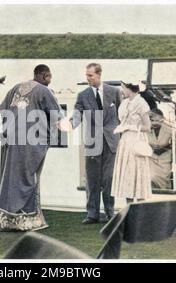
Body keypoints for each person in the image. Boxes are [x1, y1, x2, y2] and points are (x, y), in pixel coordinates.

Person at [0, 64, 63, 231]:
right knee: (30, 177)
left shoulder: (15, 88)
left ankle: (3, 219)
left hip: (12, 142)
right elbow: (57, 116)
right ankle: (26, 219)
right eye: (50, 77)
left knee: (11, 177)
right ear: (44, 76)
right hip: (32, 143)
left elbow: (2, 111)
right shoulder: (44, 91)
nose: (50, 80)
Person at [59, 63, 122, 224]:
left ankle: (110, 213)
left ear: (99, 75)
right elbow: (77, 114)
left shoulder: (114, 92)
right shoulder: (83, 95)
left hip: (111, 142)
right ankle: (92, 214)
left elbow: (122, 114)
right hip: (92, 142)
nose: (87, 78)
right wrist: (69, 125)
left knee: (109, 179)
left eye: (90, 75)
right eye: (86, 75)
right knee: (92, 179)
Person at [111, 82, 152, 204]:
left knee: (138, 174)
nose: (121, 90)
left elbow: (147, 126)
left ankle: (140, 210)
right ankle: (128, 210)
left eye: (123, 87)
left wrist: (131, 127)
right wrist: (122, 127)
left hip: (137, 140)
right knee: (127, 176)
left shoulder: (141, 103)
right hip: (125, 141)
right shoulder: (124, 103)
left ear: (129, 88)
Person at [147, 108, 176, 190]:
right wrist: (150, 148)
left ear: (162, 119)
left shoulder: (169, 129)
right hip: (151, 157)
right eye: (152, 120)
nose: (154, 123)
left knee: (164, 180)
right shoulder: (146, 129)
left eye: (157, 121)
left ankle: (165, 196)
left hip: (165, 157)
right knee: (152, 177)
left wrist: (165, 148)